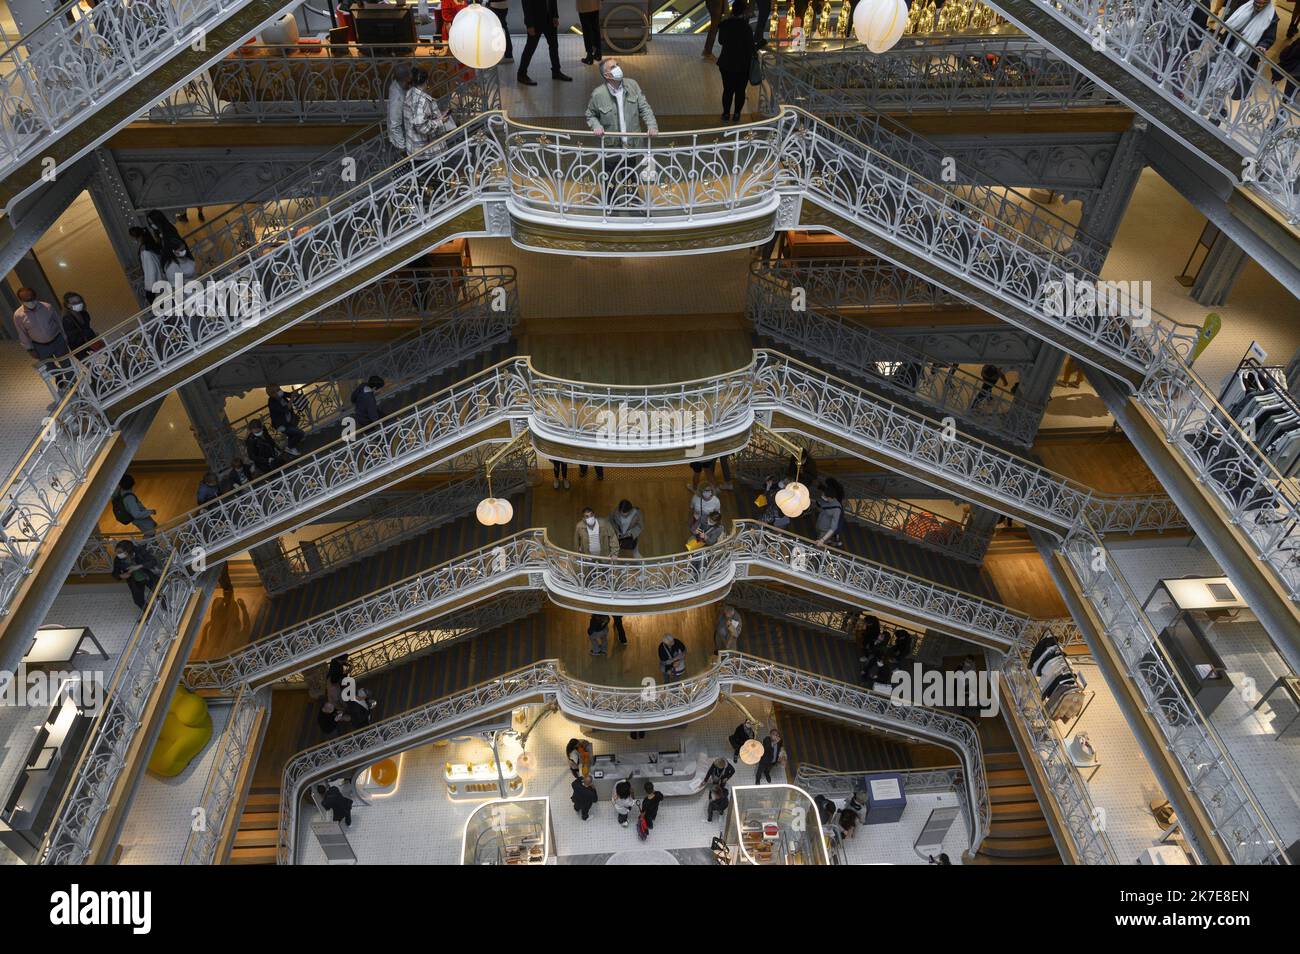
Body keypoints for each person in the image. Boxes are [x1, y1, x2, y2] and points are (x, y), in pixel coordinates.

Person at [585, 58, 659, 210]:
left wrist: (652, 125)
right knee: (610, 175)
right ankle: (611, 202)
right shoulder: (598, 94)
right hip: (611, 145)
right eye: (613, 67)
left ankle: (632, 198)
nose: (618, 68)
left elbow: (644, 107)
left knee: (630, 172)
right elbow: (590, 114)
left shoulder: (632, 85)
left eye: (617, 65)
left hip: (631, 143)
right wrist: (596, 126)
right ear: (607, 75)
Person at [13, 287, 70, 383]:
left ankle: (73, 382)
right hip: (40, 346)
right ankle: (59, 377)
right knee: (49, 366)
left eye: (31, 298)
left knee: (66, 363)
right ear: (21, 300)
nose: (30, 302)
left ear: (35, 297)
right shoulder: (18, 315)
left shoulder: (47, 307)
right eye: (26, 300)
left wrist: (65, 337)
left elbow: (59, 322)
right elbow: (22, 334)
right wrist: (30, 349)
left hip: (57, 340)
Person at [402, 67, 455, 157]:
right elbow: (421, 126)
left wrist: (439, 116)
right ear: (426, 81)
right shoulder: (422, 100)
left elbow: (419, 118)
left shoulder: (409, 93)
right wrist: (440, 122)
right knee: (435, 170)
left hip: (414, 147)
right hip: (427, 152)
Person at [716, 0, 754, 123]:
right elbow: (750, 47)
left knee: (727, 90)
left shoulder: (725, 24)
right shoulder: (746, 28)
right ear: (743, 12)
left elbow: (721, 41)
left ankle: (726, 113)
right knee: (740, 91)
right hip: (742, 65)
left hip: (726, 62)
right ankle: (737, 114)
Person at [518, 0, 571, 85]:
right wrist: (529, 24)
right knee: (530, 47)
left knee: (554, 45)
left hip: (550, 19)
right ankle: (521, 74)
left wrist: (555, 15)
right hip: (535, 21)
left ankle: (556, 71)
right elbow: (526, 5)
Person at [113, 539, 161, 611]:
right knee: (138, 600)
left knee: (159, 593)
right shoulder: (118, 559)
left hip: (149, 576)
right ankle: (147, 613)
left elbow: (153, 561)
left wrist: (138, 566)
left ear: (127, 551)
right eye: (116, 552)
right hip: (134, 581)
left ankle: (166, 606)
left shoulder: (140, 552)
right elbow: (115, 573)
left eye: (119, 552)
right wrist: (120, 576)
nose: (117, 554)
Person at [128, 226, 165, 303]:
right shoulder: (149, 245)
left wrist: (150, 285)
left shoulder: (145, 251)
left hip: (154, 281)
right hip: (158, 279)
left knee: (155, 301)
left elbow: (150, 269)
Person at [266, 385, 305, 455]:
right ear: (272, 394)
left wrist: (295, 393)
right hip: (281, 425)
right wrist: (292, 398)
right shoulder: (272, 402)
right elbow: (286, 409)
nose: (280, 390)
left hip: (288, 421)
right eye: (277, 390)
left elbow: (289, 394)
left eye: (279, 388)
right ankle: (289, 447)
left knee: (291, 434)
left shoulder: (280, 394)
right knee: (300, 433)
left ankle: (291, 449)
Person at [386, 62, 412, 152]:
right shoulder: (397, 98)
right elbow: (395, 125)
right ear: (405, 79)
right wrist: (402, 147)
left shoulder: (397, 84)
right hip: (401, 140)